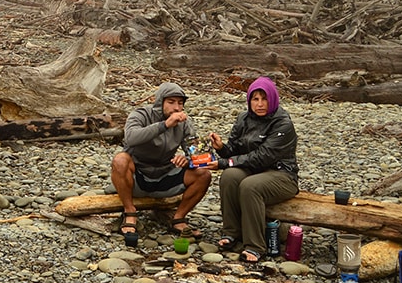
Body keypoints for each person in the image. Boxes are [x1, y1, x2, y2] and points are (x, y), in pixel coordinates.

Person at [208, 76, 300, 263]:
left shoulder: (283, 124)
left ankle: (255, 245)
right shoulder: (244, 118)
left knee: (250, 186)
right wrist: (221, 148)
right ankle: (232, 233)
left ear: (272, 99)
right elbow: (233, 150)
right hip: (254, 170)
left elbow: (262, 156)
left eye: (264, 99)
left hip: (282, 175)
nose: (259, 104)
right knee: (229, 176)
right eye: (255, 99)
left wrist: (226, 162)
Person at [111, 81, 213, 247]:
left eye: (180, 103)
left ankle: (178, 218)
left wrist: (187, 161)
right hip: (138, 176)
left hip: (165, 175)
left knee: (204, 175)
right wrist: (164, 125)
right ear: (160, 102)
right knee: (120, 159)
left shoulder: (185, 123)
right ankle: (129, 212)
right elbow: (130, 138)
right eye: (171, 102)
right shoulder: (141, 115)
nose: (176, 108)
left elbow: (202, 157)